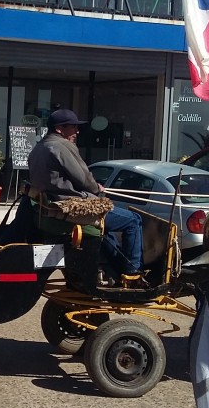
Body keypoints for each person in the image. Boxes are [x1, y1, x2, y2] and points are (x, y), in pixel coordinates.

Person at [27, 109, 146, 288]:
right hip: (70, 207)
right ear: (60, 129)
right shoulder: (61, 146)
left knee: (105, 230)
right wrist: (96, 189)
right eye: (74, 127)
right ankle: (132, 273)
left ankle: (113, 269)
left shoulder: (39, 147)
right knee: (133, 221)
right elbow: (83, 177)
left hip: (52, 205)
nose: (77, 131)